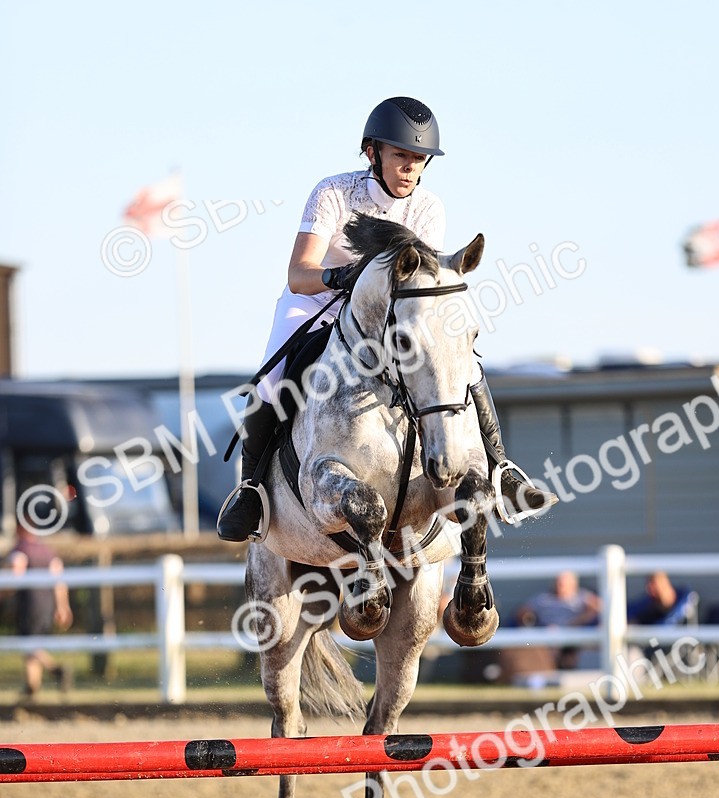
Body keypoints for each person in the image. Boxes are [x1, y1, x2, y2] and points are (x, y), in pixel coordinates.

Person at [217, 95, 555, 542]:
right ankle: (252, 491)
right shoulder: (333, 192)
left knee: (462, 361)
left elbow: (419, 288)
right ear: (373, 152)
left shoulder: (429, 208)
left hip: (388, 312)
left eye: (418, 159)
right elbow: (299, 274)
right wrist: (341, 276)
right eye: (401, 155)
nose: (410, 167)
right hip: (319, 300)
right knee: (272, 381)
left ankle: (500, 466)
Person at [7, 525, 73, 697]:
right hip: (47, 604)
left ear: (20, 530)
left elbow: (16, 572)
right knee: (34, 643)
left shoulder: (21, 549)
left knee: (28, 643)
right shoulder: (48, 551)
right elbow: (59, 580)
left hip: (29, 603)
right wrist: (63, 606)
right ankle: (32, 686)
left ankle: (56, 669)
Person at [516, 570, 601, 670]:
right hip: (546, 631)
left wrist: (581, 619)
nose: (560, 586)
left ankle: (556, 667)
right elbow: (522, 612)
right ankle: (550, 669)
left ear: (573, 585)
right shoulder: (543, 598)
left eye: (563, 584)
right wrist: (528, 618)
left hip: (572, 630)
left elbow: (600, 607)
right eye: (558, 583)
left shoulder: (581, 597)